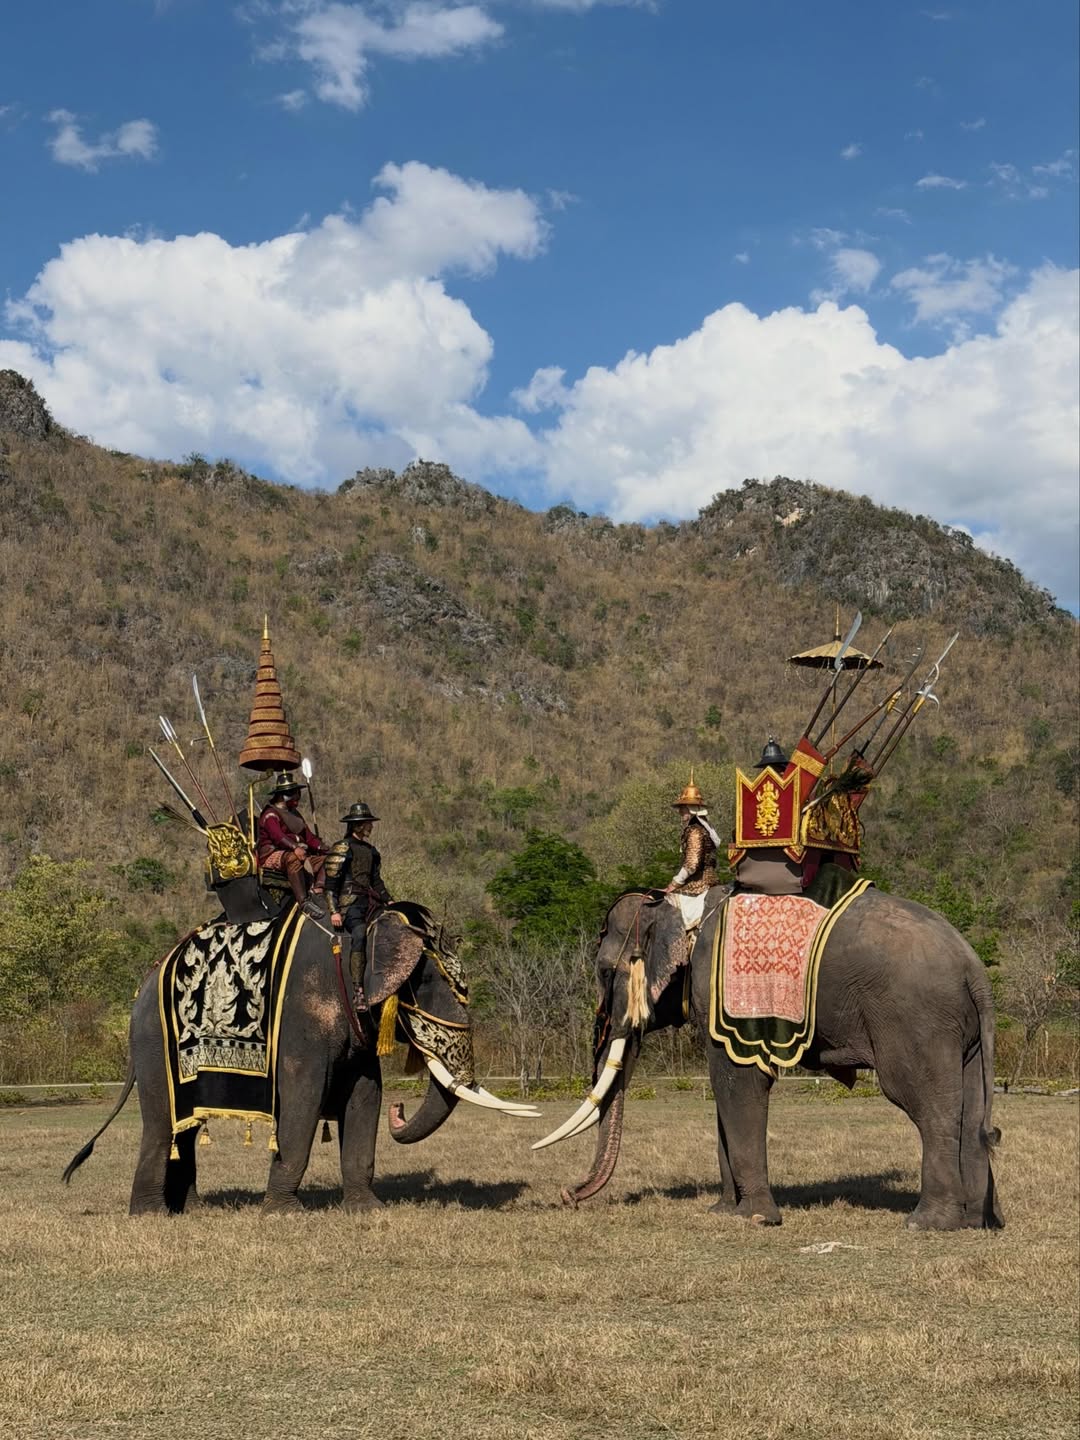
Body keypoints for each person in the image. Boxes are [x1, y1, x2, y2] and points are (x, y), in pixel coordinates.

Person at [256, 771, 328, 916]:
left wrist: (323, 848)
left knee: (330, 860)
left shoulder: (295, 814)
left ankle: (318, 890)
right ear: (286, 795)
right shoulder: (270, 814)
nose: (298, 799)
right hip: (273, 854)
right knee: (293, 858)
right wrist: (294, 847)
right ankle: (303, 902)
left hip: (300, 852)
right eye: (295, 794)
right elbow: (278, 837)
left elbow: (309, 837)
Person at [327, 802, 392, 960]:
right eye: (368, 823)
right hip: (350, 904)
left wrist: (389, 901)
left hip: (370, 902)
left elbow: (376, 881)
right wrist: (334, 911)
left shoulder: (371, 851)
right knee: (359, 932)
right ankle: (358, 983)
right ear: (359, 826)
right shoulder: (342, 848)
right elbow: (331, 884)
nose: (371, 826)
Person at [663, 773, 720, 934]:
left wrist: (674, 883)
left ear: (692, 809)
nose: (680, 811)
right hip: (709, 881)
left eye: (684, 807)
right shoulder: (702, 829)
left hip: (698, 885)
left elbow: (691, 864)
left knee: (668, 910)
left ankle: (679, 951)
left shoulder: (695, 831)